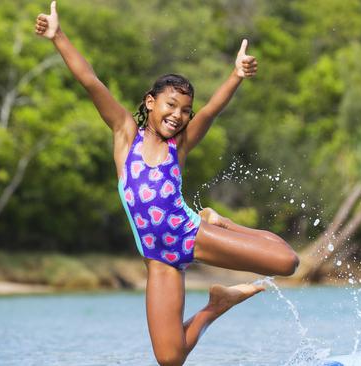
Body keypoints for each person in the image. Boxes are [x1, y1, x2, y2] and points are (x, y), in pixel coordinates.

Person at [35, 2, 299, 365]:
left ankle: (221, 221)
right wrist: (58, 36)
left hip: (192, 234)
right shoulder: (126, 135)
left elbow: (211, 111)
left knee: (286, 262)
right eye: (171, 106)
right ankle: (217, 305)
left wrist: (236, 74)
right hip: (160, 261)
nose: (178, 116)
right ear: (150, 102)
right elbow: (91, 81)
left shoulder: (181, 145)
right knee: (170, 359)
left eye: (184, 110)